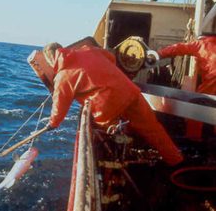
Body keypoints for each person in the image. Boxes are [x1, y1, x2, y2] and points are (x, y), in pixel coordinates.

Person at [43, 42, 183, 166]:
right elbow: (111, 57)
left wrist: (52, 124)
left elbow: (59, 107)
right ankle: (175, 160)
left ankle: (113, 165)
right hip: (129, 91)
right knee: (153, 128)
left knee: (105, 138)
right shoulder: (88, 50)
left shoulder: (63, 76)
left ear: (50, 60)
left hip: (108, 107)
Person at [158, 35, 216, 139]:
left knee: (196, 117)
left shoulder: (201, 44)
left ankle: (193, 141)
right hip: (208, 92)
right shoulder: (201, 44)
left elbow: (178, 48)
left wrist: (158, 54)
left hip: (207, 92)